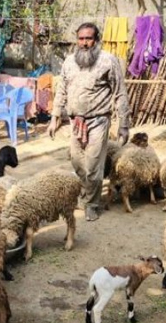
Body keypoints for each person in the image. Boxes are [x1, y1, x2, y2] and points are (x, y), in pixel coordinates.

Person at [47, 22, 131, 221]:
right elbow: (62, 91)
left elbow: (120, 93)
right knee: (77, 164)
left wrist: (124, 124)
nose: (84, 43)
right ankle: (86, 194)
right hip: (75, 122)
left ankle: (92, 204)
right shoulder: (69, 62)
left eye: (88, 38)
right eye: (81, 39)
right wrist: (54, 118)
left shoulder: (108, 61)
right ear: (77, 40)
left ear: (96, 40)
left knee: (93, 166)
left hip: (99, 121)